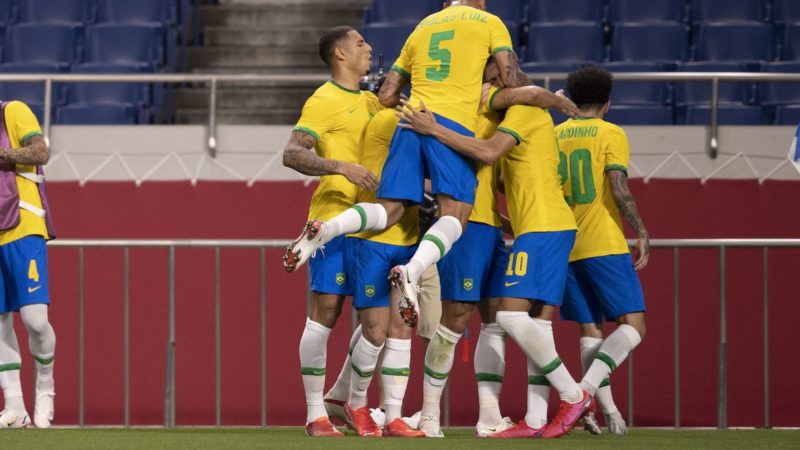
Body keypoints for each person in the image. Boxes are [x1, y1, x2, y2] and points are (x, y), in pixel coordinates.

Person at [283, 0, 528, 329]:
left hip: (409, 121)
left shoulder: (421, 27)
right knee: (456, 217)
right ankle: (410, 271)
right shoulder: (488, 21)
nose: (368, 47)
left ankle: (327, 229)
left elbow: (386, 96)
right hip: (447, 124)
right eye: (360, 43)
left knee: (391, 210)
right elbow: (512, 79)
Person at [397, 82, 591, 439]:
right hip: (471, 226)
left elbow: (500, 150)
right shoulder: (452, 107)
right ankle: (428, 414)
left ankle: (491, 415)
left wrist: (553, 100)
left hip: (507, 230)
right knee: (456, 321)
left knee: (498, 320)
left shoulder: (504, 115)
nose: (495, 85)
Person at [280, 25, 382, 437]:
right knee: (326, 315)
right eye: (360, 43)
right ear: (340, 54)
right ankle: (314, 415)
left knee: (377, 322)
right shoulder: (323, 99)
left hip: (378, 222)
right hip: (334, 218)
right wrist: (342, 166)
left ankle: (351, 401)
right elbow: (292, 152)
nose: (369, 47)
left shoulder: (374, 101)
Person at [556, 66, 649, 435]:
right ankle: (583, 392)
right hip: (601, 240)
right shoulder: (611, 132)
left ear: (572, 99)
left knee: (590, 329)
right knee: (634, 325)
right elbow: (617, 184)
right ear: (607, 103)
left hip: (565, 241)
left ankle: (611, 415)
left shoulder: (555, 133)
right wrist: (640, 229)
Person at [0, 100, 57, 429]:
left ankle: (46, 385)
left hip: (23, 225)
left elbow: (40, 152)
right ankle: (15, 406)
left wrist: (5, 154)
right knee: (0, 320)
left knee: (35, 320)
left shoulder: (13, 111)